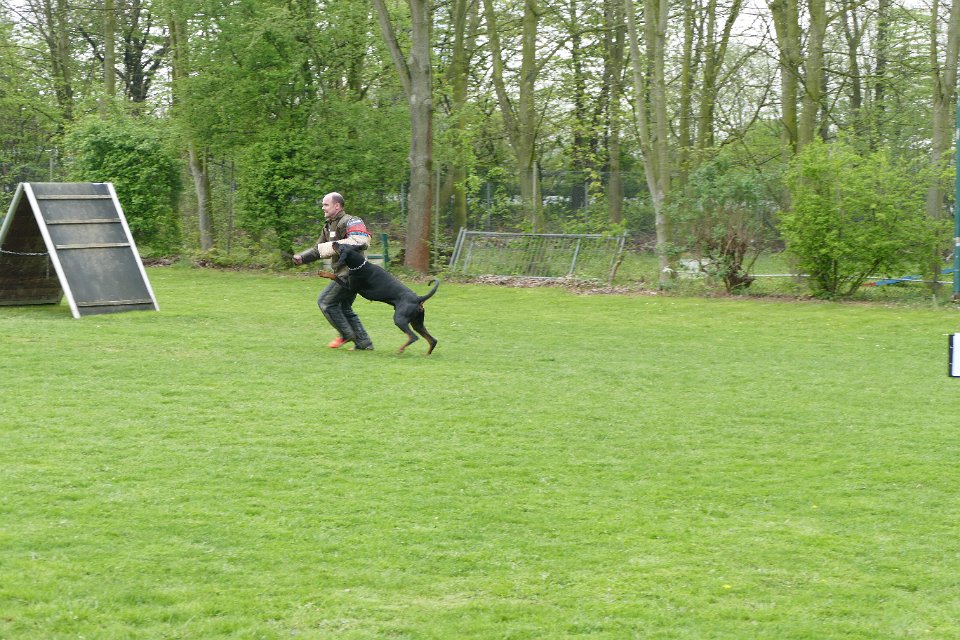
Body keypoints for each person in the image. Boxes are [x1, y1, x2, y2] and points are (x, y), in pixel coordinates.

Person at [292, 192, 374, 350]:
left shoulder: (352, 221)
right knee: (344, 307)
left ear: (337, 206)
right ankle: (364, 344)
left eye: (326, 204)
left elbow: (361, 241)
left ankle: (346, 335)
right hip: (345, 274)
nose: (323, 207)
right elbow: (318, 249)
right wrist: (302, 258)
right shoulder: (328, 226)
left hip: (351, 274)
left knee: (326, 302)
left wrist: (332, 246)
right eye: (323, 204)